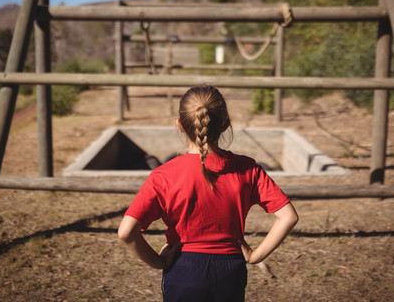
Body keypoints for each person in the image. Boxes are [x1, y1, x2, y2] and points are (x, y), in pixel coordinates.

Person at [118, 85, 299, 302]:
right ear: (225, 125)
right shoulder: (247, 169)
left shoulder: (163, 176)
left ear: (180, 125)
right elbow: (288, 216)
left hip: (183, 269)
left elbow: (126, 232)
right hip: (230, 270)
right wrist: (254, 255)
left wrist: (159, 262)